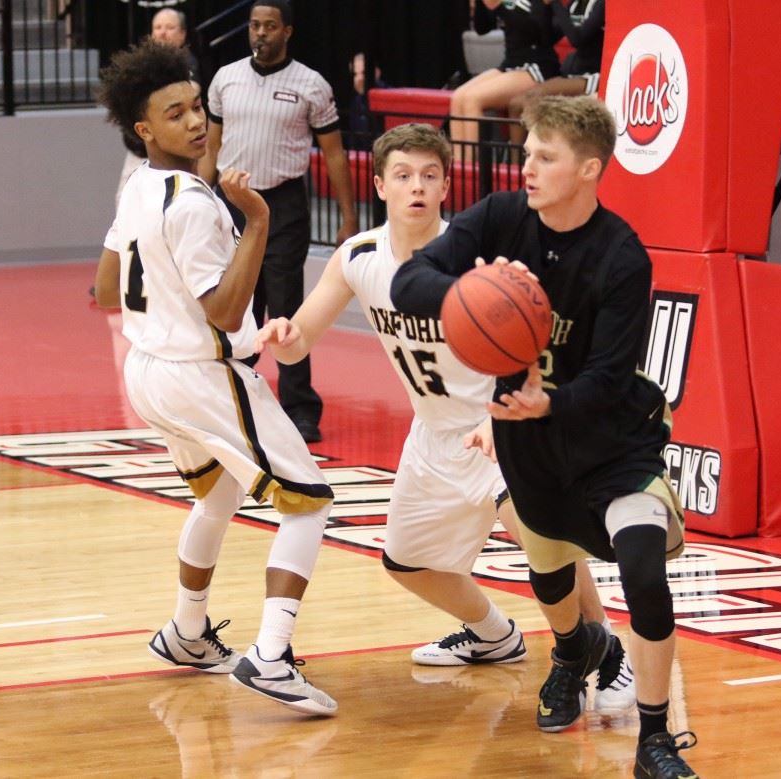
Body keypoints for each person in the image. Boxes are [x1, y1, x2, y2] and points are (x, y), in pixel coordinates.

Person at [255, 123, 634, 716]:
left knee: (548, 548)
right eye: (403, 176)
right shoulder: (359, 258)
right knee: (408, 562)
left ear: (445, 185)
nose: (417, 188)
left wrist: (508, 409)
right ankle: (493, 635)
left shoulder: (475, 257)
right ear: (378, 184)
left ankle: (608, 652)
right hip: (432, 434)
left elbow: (541, 335)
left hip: (502, 424)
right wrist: (283, 335)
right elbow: (301, 340)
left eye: (430, 176)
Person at [390, 96, 699, 779]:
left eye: (545, 156)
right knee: (551, 579)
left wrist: (547, 401)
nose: (525, 165)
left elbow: (611, 379)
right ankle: (571, 651)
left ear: (589, 169)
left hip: (614, 446)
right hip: (531, 450)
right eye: (526, 151)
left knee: (644, 572)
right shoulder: (501, 218)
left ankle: (655, 738)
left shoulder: (622, 257)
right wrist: (472, 294)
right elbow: (410, 278)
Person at [94, 40, 338, 717]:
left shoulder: (139, 186)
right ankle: (272, 655)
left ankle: (187, 631)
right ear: (146, 129)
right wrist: (256, 221)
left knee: (220, 496)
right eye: (176, 114)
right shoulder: (196, 205)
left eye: (198, 106)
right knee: (310, 499)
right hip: (200, 374)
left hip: (149, 370)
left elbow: (105, 287)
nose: (196, 122)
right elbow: (225, 309)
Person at [198, 0, 360, 444]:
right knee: (236, 305)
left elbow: (333, 153)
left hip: (284, 203)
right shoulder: (224, 79)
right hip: (232, 201)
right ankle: (233, 398)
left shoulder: (311, 84)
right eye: (254, 26)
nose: (260, 34)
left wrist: (349, 216)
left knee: (286, 306)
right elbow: (210, 148)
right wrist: (198, 199)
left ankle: (300, 409)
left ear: (287, 31)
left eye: (270, 26)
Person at [448, 0, 559, 161]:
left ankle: (473, 173)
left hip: (537, 65)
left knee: (472, 99)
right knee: (458, 97)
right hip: (510, 63)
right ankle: (461, 170)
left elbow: (544, 35)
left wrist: (508, 8)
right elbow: (482, 28)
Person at [113, 8, 201, 210]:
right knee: (124, 203)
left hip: (169, 155)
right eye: (158, 27)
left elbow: (186, 98)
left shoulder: (187, 65)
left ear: (183, 34)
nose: (162, 32)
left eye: (169, 27)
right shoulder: (140, 68)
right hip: (138, 151)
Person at [507, 0, 605, 145]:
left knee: (532, 99)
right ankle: (515, 163)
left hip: (597, 74)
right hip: (575, 73)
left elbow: (577, 38)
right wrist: (546, 8)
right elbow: (548, 39)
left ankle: (538, 156)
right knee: (515, 105)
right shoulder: (575, 4)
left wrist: (556, 4)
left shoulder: (602, 4)